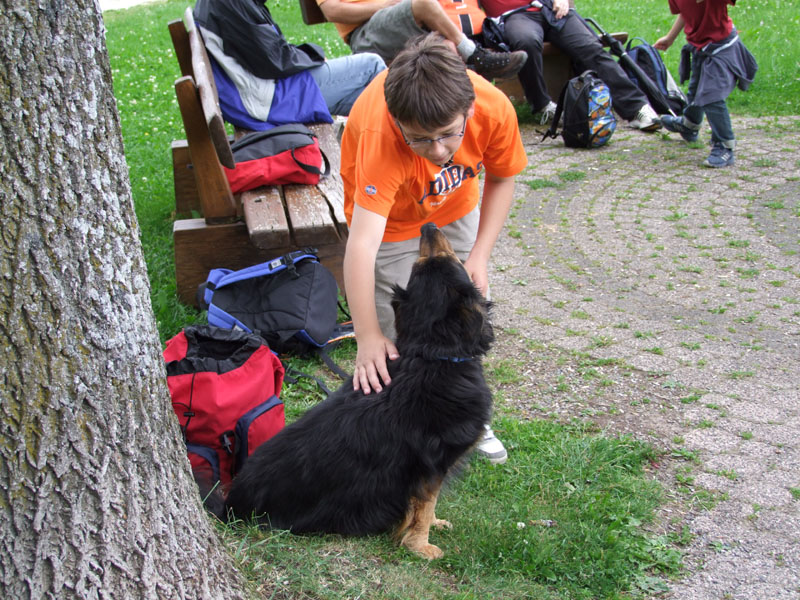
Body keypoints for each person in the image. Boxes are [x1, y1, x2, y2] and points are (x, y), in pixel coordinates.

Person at [340, 33, 528, 464]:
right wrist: (367, 336)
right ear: (397, 121)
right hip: (389, 222)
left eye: (448, 135)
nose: (439, 151)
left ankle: (465, 420)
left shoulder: (494, 107)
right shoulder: (380, 133)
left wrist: (479, 254)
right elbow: (363, 245)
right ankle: (398, 425)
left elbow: (502, 178)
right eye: (420, 140)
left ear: (470, 110)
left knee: (455, 321)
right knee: (399, 334)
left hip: (455, 204)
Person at [194, 0, 385, 129]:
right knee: (372, 67)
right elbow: (274, 61)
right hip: (266, 101)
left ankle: (377, 152)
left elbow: (269, 54)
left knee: (364, 99)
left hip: (261, 92)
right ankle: (395, 151)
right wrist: (314, 56)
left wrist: (309, 58)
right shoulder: (233, 4)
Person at [480, 0, 662, 130]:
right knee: (526, 42)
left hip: (551, 8)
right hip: (514, 16)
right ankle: (542, 106)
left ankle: (636, 108)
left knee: (591, 48)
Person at [654, 0, 757, 168]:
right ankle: (689, 124)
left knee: (711, 95)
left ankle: (725, 145)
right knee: (695, 92)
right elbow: (686, 12)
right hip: (699, 48)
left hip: (722, 48)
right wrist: (670, 37)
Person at [316, 0, 528, 80]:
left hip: (398, 23)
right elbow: (332, 11)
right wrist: (387, 6)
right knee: (424, 4)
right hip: (365, 33)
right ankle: (475, 54)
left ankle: (465, 121)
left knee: (445, 48)